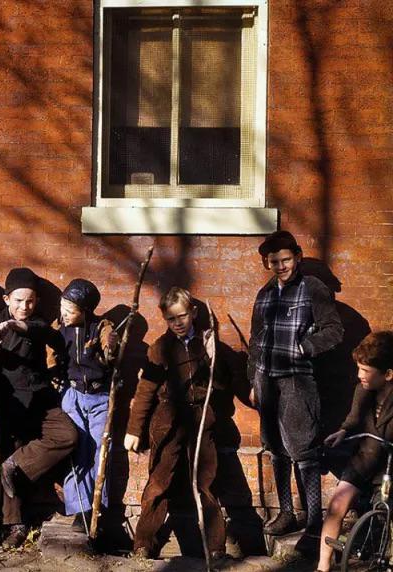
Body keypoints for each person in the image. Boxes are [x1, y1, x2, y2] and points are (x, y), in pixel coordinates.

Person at [124, 287, 244, 561]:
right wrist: (134, 429)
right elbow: (145, 391)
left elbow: (222, 385)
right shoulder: (160, 348)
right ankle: (143, 544)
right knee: (159, 482)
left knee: (206, 482)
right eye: (171, 318)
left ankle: (215, 548)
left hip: (201, 419)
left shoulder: (208, 344)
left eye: (182, 316)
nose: (177, 323)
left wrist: (213, 358)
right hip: (168, 420)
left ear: (194, 313)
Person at [248, 230, 343, 552]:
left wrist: (305, 348)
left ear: (297, 257)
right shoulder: (264, 294)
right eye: (274, 261)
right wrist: (252, 381)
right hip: (266, 380)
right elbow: (255, 341)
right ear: (267, 263)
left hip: (297, 382)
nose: (281, 266)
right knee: (275, 448)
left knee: (304, 451)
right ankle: (287, 513)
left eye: (286, 260)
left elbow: (334, 330)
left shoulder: (313, 288)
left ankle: (314, 524)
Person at [0, 267, 78, 548]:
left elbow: (52, 336)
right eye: (18, 301)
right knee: (10, 447)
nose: (24, 307)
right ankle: (14, 525)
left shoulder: (38, 323)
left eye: (30, 301)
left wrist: (20, 327)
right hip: (9, 403)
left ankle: (15, 466)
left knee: (67, 436)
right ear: (7, 299)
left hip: (41, 400)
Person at [316, 331, 393, 572]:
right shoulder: (362, 390)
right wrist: (342, 432)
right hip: (365, 458)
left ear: (388, 374)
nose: (360, 375)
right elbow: (354, 418)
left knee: (386, 513)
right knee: (336, 506)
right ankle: (323, 566)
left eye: (366, 370)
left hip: (390, 466)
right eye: (359, 368)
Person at [56, 279, 118, 530]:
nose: (64, 314)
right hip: (72, 395)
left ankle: (97, 508)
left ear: (85, 311)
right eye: (62, 308)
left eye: (70, 311)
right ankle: (79, 509)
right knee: (76, 450)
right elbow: (52, 357)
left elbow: (109, 351)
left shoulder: (101, 327)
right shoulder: (61, 330)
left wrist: (110, 348)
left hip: (99, 397)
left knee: (100, 450)